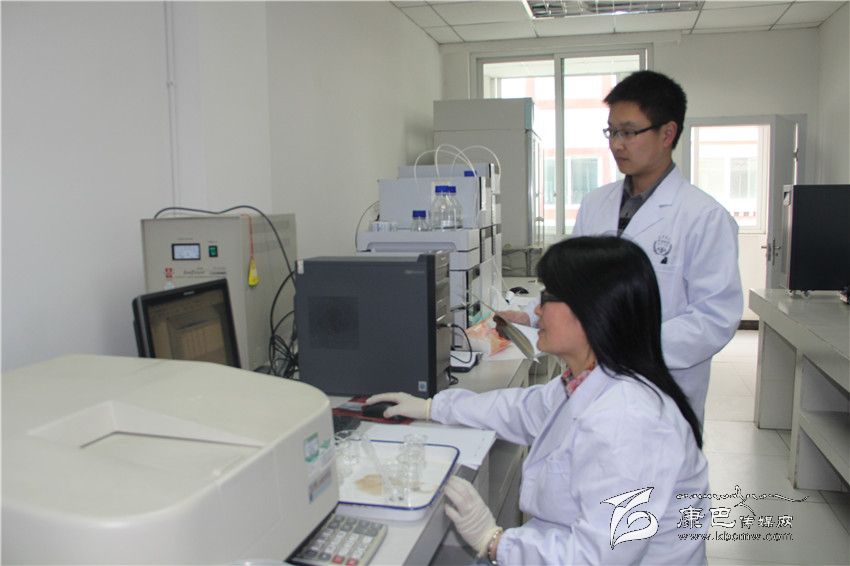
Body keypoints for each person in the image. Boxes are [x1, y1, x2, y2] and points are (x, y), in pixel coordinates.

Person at [368, 236, 710, 565]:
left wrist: (494, 541)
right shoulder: (593, 379)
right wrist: (433, 407)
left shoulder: (629, 422)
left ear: (592, 309)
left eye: (548, 297)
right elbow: (523, 408)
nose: (536, 309)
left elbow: (599, 558)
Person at [500, 70, 742, 423]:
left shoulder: (704, 217)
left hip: (660, 395)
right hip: (589, 386)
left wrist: (618, 343)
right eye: (611, 132)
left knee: (645, 461)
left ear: (667, 133)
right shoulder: (595, 204)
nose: (616, 144)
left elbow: (714, 319)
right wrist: (530, 313)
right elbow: (574, 286)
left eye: (628, 132)